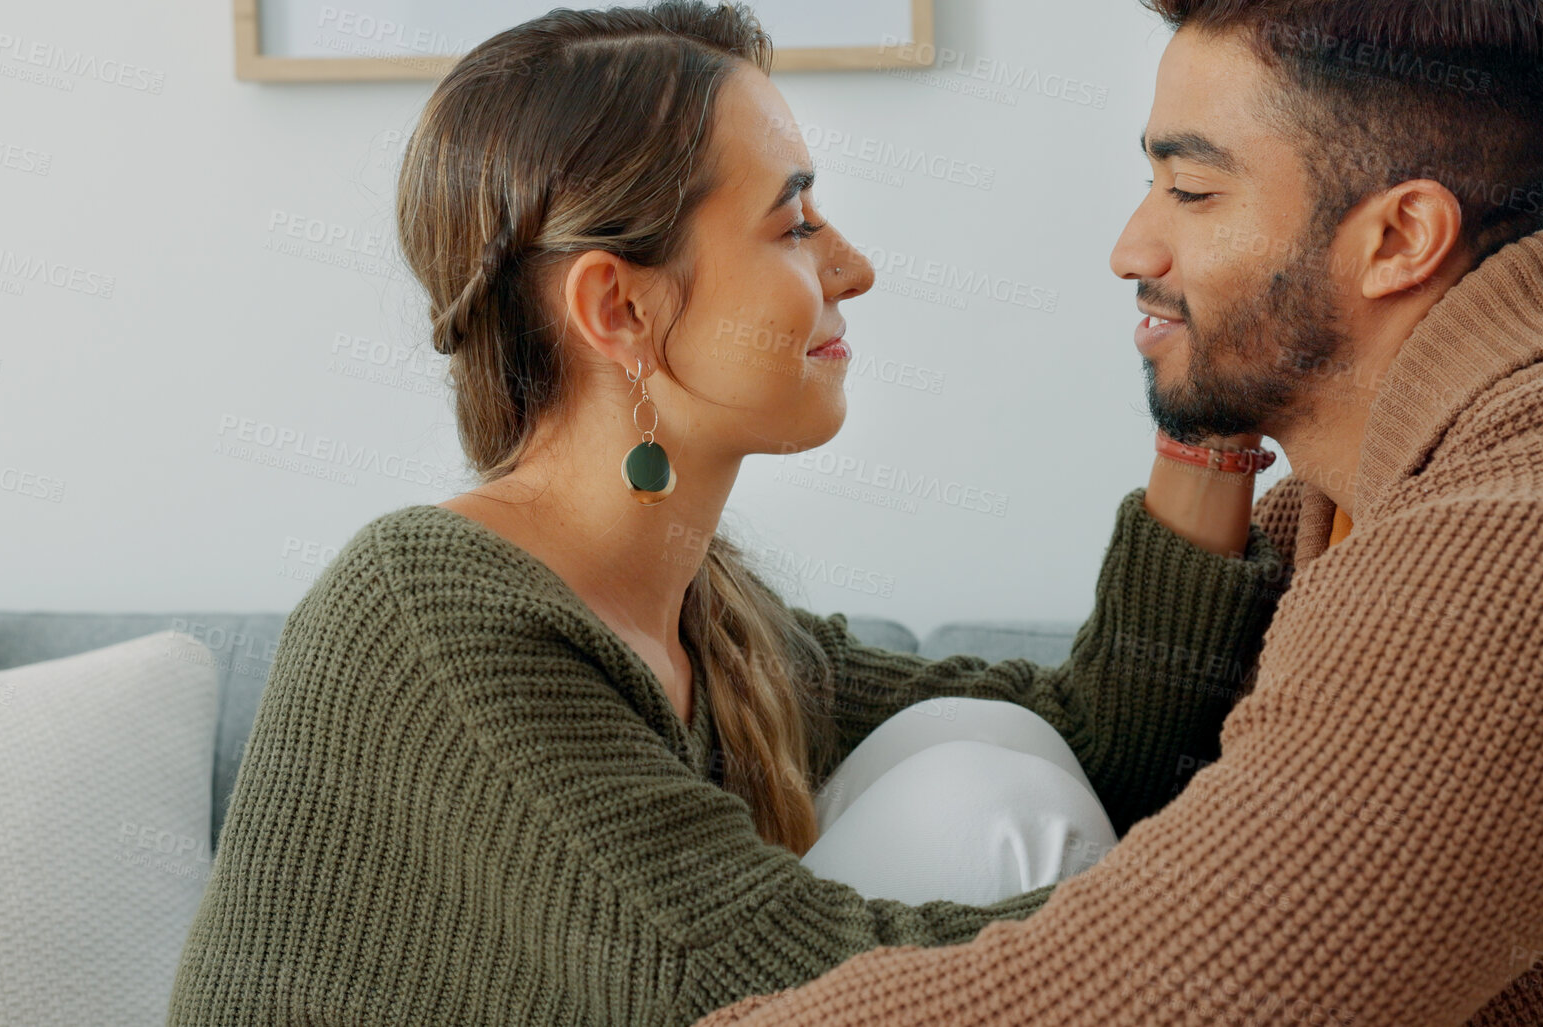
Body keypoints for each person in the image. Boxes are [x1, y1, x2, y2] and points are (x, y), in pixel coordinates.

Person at [695, 1, 1543, 1024]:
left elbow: (1143, 997)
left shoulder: (1536, 556)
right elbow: (1127, 733)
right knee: (974, 751)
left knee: (973, 797)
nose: (1130, 246)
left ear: (1400, 238)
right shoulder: (1471, 452)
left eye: (1194, 190)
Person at [164, 4, 1293, 1026]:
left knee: (992, 746)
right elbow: (766, 987)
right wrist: (1324, 907)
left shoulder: (702, 609)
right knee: (983, 797)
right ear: (619, 306)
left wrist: (1214, 405)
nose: (853, 265)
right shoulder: (431, 622)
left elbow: (1105, 747)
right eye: (794, 222)